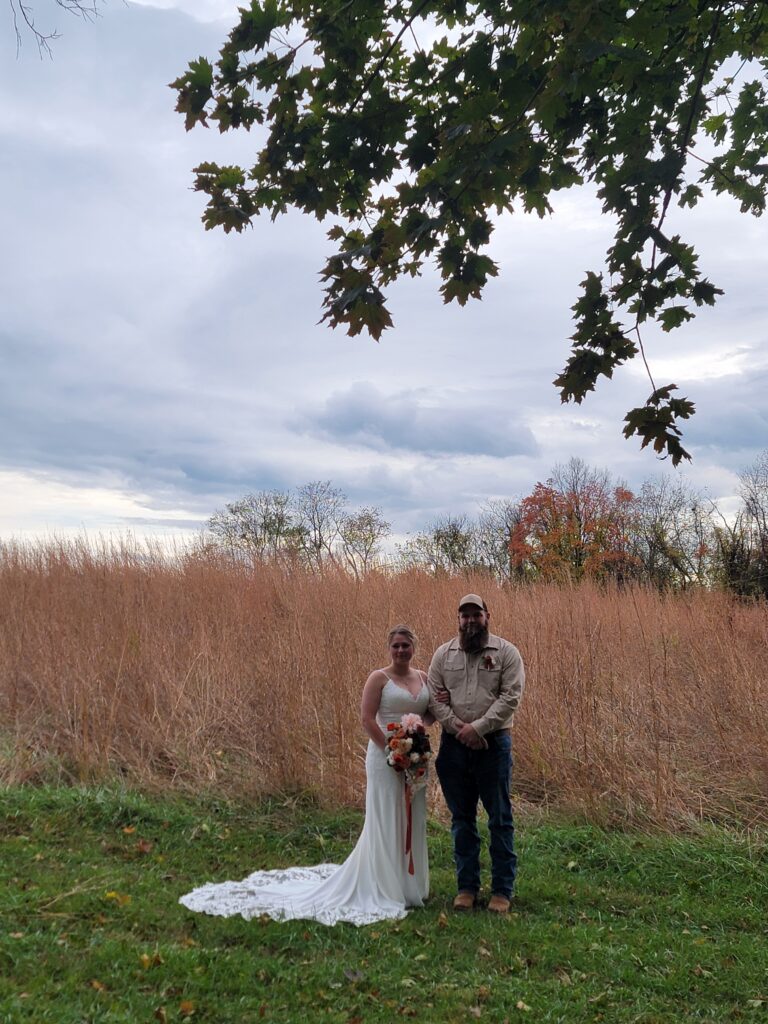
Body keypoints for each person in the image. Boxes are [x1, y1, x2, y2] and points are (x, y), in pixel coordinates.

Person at [179, 625, 432, 926]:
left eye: (406, 646)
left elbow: (429, 713)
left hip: (416, 758)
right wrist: (392, 753)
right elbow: (366, 719)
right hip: (385, 758)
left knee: (412, 815)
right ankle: (386, 886)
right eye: (396, 646)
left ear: (414, 647)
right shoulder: (379, 678)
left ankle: (410, 885)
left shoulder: (423, 677)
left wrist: (418, 732)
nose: (401, 650)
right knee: (387, 816)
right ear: (389, 648)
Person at [428, 594, 525, 914]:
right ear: (458, 619)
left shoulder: (506, 653)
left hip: (494, 745)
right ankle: (467, 887)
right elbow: (435, 697)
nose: (470, 620)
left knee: (499, 818)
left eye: (476, 614)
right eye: (464, 615)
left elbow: (511, 697)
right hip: (454, 747)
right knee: (462, 819)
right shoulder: (443, 655)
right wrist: (459, 729)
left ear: (487, 616)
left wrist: (478, 729)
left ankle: (502, 891)